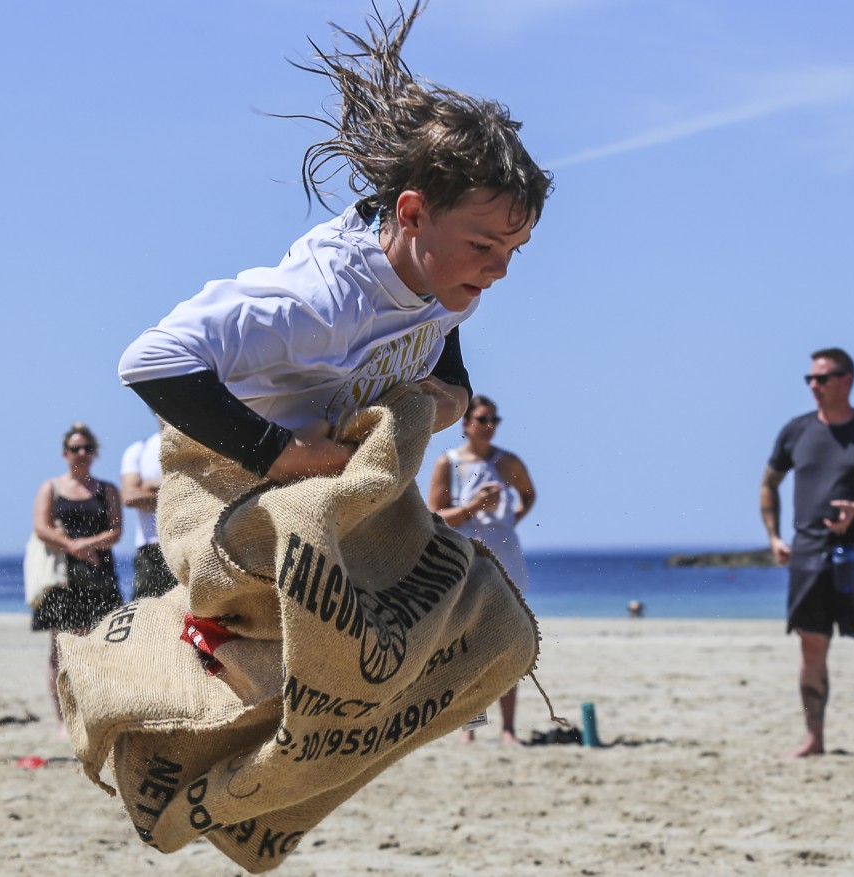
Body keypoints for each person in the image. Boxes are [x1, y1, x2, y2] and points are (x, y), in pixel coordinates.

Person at [117, 1, 551, 489]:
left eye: (513, 249)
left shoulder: (447, 275)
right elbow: (150, 359)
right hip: (239, 490)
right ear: (411, 215)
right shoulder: (320, 302)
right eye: (482, 245)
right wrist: (278, 454)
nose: (499, 270)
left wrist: (457, 391)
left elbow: (437, 320)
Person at [761, 348, 854, 762]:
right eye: (809, 379)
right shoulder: (795, 431)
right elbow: (768, 483)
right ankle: (814, 737)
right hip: (808, 554)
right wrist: (774, 536)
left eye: (822, 378)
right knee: (811, 647)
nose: (814, 385)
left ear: (846, 380)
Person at [427, 395, 537, 744]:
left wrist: (507, 523)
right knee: (464, 643)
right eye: (482, 419)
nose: (488, 426)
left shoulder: (508, 462)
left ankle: (507, 729)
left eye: (493, 420)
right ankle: (470, 727)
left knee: (508, 641)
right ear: (466, 423)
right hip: (466, 560)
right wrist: (475, 507)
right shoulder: (449, 463)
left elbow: (528, 496)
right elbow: (435, 516)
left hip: (505, 559)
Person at [31, 423, 124, 730]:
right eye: (75, 449)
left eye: (86, 448)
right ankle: (62, 719)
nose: (81, 454)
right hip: (62, 577)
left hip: (99, 575)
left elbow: (115, 531)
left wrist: (88, 544)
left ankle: (95, 711)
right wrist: (73, 547)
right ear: (65, 453)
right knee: (60, 647)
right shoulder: (51, 488)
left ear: (94, 452)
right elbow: (41, 528)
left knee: (99, 644)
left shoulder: (107, 489)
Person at [119, 424, 176, 600]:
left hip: (183, 544)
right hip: (151, 548)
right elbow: (130, 497)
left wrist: (150, 486)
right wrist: (171, 490)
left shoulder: (194, 446)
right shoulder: (139, 449)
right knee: (144, 614)